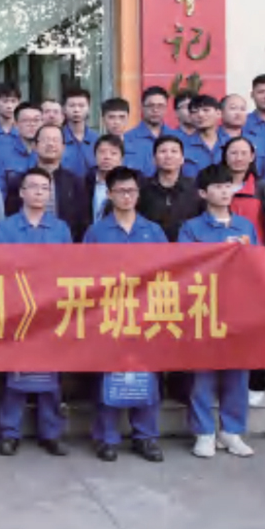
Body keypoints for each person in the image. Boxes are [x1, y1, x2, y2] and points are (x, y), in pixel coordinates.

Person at [83, 167, 167, 463]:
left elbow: (168, 272)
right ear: (109, 194)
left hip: (145, 315)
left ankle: (146, 436)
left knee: (146, 376)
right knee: (109, 376)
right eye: (120, 191)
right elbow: (85, 273)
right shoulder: (97, 232)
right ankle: (107, 438)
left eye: (131, 191)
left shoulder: (153, 231)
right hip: (109, 315)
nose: (127, 196)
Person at [179, 164, 263, 459]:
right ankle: (204, 432)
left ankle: (232, 431)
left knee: (237, 372)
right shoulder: (191, 228)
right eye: (217, 187)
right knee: (203, 373)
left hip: (238, 307)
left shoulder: (245, 227)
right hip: (204, 307)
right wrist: (219, 250)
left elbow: (257, 266)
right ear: (203, 193)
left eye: (228, 186)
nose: (224, 191)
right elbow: (184, 265)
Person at [0, 167, 73, 457]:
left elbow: (68, 270)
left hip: (51, 309)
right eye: (33, 187)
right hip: (17, 310)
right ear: (22, 192)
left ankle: (51, 433)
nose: (39, 192)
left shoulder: (60, 229)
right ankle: (9, 432)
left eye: (44, 188)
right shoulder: (6, 229)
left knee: (50, 375)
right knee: (16, 374)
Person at [223, 135, 265, 405]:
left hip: (256, 270)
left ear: (252, 157)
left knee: (256, 328)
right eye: (233, 152)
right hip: (223, 272)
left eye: (243, 153)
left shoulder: (263, 188)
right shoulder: (218, 186)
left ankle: (256, 382)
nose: (238, 158)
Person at [3, 124, 89, 242]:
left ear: (63, 147)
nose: (50, 144)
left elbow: (82, 221)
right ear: (35, 146)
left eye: (55, 140)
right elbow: (11, 215)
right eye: (45, 140)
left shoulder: (75, 182)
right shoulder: (19, 181)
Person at [137, 135, 202, 242]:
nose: (168, 156)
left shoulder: (195, 189)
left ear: (182, 159)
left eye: (174, 151)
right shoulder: (142, 189)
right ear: (154, 159)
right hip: (150, 246)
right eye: (163, 151)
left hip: (187, 247)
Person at [125, 87, 178, 178]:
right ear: (142, 107)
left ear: (166, 108)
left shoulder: (177, 138)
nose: (155, 110)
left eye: (160, 106)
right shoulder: (127, 139)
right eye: (150, 106)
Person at [100, 98, 151, 175]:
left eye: (122, 117)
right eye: (111, 117)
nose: (117, 122)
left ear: (128, 118)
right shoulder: (94, 147)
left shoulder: (143, 149)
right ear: (103, 119)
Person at [84, 134, 126, 226]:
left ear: (121, 159)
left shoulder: (129, 185)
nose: (107, 157)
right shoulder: (84, 183)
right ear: (95, 156)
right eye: (102, 152)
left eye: (113, 153)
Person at [183, 94, 229, 176]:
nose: (200, 115)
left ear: (218, 113)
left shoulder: (230, 143)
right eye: (195, 111)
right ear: (190, 117)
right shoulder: (182, 145)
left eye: (206, 110)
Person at [60, 88, 98, 179]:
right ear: (64, 109)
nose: (76, 110)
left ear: (89, 108)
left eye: (81, 106)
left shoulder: (97, 139)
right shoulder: (57, 138)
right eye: (72, 106)